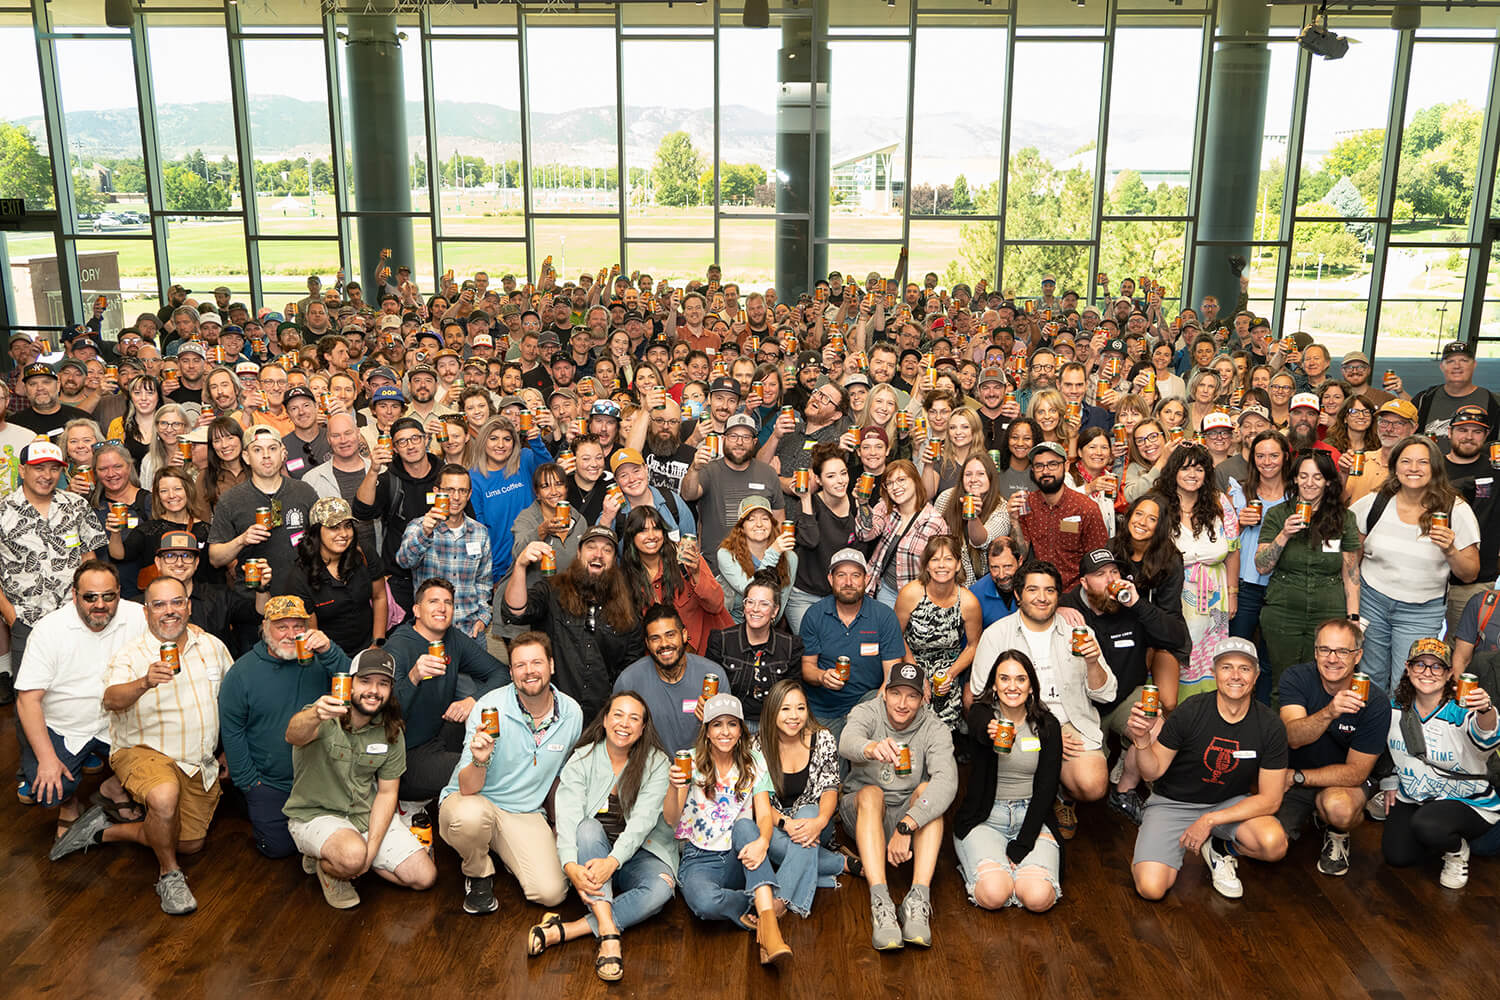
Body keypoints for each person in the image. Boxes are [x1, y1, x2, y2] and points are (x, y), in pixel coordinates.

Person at [50, 576, 235, 916]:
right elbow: (111, 699)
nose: (169, 612)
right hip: (142, 750)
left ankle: (103, 831)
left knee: (189, 843)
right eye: (159, 605)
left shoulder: (212, 646)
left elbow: (235, 702)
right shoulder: (132, 654)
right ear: (147, 612)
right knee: (164, 798)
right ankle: (169, 875)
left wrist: (229, 752)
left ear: (188, 606)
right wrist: (144, 681)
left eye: (176, 603)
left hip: (195, 760)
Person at [1125, 636, 1289, 901]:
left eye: (1244, 668)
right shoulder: (1191, 711)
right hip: (1173, 803)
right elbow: (1151, 772)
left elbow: (1271, 799)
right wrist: (1142, 741)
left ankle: (1219, 846)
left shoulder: (1270, 725)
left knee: (1274, 845)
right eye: (1226, 667)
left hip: (1229, 803)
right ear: (1213, 673)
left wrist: (1210, 820)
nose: (1235, 675)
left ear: (1256, 675)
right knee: (1150, 889)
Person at [967, 559, 1116, 838]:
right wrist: (1050, 736)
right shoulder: (997, 635)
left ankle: (1062, 796)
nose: (1042, 597)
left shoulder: (1078, 633)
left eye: (1049, 591)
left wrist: (1094, 662)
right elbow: (980, 695)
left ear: (1058, 596)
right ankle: (1033, 800)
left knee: (1093, 784)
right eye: (1033, 589)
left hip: (1071, 723)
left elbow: (1106, 694)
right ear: (1018, 595)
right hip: (1019, 720)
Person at [438, 630, 583, 912]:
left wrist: (557, 826)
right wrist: (480, 759)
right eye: (520, 665)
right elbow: (467, 788)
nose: (529, 671)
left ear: (551, 666)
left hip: (524, 811)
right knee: (470, 819)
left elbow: (559, 777)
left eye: (536, 663)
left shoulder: (571, 714)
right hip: (473, 801)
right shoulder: (489, 708)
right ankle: (477, 872)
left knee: (552, 893)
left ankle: (502, 847)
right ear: (511, 672)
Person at [283, 646, 437, 908]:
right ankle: (330, 866)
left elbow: (388, 793)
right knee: (353, 856)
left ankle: (343, 859)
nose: (374, 691)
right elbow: (293, 735)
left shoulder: (392, 731)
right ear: (349, 683)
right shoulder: (322, 714)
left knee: (425, 877)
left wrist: (372, 851)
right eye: (365, 681)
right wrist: (314, 714)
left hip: (363, 816)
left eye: (383, 684)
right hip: (315, 815)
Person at [538, 691, 675, 983]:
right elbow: (568, 817)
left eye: (634, 718)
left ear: (642, 728)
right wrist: (570, 866)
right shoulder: (583, 758)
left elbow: (642, 822)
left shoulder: (658, 762)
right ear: (604, 719)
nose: (624, 723)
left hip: (640, 852)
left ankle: (570, 929)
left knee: (662, 889)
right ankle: (609, 934)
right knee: (586, 827)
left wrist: (613, 862)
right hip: (593, 852)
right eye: (618, 715)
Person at [15, 561, 146, 840]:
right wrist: (47, 758)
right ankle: (69, 803)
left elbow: (173, 625)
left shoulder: (137, 616)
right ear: (74, 595)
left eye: (108, 596)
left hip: (119, 723)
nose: (100, 604)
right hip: (65, 728)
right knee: (48, 790)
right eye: (90, 597)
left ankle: (115, 786)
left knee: (161, 762)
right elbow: (27, 700)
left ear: (119, 594)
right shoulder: (49, 630)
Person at [663, 692, 792, 967]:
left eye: (732, 724)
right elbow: (672, 819)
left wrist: (763, 842)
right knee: (704, 905)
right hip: (700, 857)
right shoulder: (692, 762)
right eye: (717, 724)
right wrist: (674, 787)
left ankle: (769, 929)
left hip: (739, 853)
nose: (725, 732)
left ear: (741, 729)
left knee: (746, 825)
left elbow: (765, 815)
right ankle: (761, 901)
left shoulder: (755, 761)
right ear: (707, 731)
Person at [218, 595, 350, 860]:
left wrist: (329, 650)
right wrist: (250, 783)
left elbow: (356, 688)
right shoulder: (242, 672)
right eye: (282, 627)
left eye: (298, 626)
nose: (291, 634)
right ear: (265, 628)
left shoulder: (320, 660)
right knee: (280, 850)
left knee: (339, 842)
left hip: (321, 778)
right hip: (269, 783)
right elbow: (232, 731)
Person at [840, 661, 957, 951]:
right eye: (896, 694)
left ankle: (918, 898)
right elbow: (846, 741)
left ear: (922, 699)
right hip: (864, 812)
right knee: (871, 793)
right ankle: (880, 901)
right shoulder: (868, 711)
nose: (902, 704)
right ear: (885, 693)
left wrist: (907, 825)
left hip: (906, 816)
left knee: (928, 791)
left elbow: (948, 782)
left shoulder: (934, 726)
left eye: (912, 696)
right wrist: (870, 748)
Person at [1352, 435, 1481, 691]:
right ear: (1395, 466)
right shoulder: (1374, 503)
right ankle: (1373, 729)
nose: (1413, 468)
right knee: (1369, 678)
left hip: (1421, 611)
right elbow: (1351, 559)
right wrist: (1351, 610)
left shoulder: (1455, 509)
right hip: (1372, 603)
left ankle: (1400, 732)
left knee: (1409, 683)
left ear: (1435, 467)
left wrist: (1451, 550)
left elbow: (1470, 573)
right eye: (1406, 461)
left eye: (1422, 462)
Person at [1381, 637, 1499, 889]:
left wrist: (1486, 710)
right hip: (1415, 796)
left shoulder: (1462, 710)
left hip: (1467, 802)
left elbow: (1486, 737)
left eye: (1437, 667)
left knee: (1428, 824)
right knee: (1398, 856)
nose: (1427, 672)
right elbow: (1382, 750)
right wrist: (1388, 779)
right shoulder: (1394, 709)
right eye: (1420, 665)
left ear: (1448, 674)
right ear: (1408, 668)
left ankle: (1457, 851)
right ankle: (1437, 838)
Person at [1278, 618, 1391, 878]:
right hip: (1295, 776)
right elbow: (1293, 736)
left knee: (1338, 810)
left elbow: (1356, 773)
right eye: (1325, 650)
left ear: (1358, 656)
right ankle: (1317, 812)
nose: (1332, 658)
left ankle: (1337, 831)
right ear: (1315, 652)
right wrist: (1329, 712)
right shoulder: (1296, 677)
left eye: (1343, 651)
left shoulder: (1374, 700)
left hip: (1334, 782)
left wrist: (1298, 777)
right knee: (1268, 844)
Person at [954, 649, 1063, 913]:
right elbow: (979, 724)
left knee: (1037, 898)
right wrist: (990, 731)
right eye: (1004, 679)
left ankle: (1016, 872)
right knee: (994, 895)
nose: (1012, 686)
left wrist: (1023, 844)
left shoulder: (1048, 725)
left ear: (1031, 686)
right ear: (994, 684)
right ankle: (992, 869)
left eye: (1020, 679)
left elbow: (1048, 789)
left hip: (1032, 819)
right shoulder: (983, 715)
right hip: (985, 820)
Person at [0, 440, 108, 701]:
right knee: (29, 696)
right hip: (26, 619)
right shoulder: (3, 511)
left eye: (53, 469)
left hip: (74, 616)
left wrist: (90, 605)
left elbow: (89, 560)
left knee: (79, 690)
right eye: (38, 468)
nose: (46, 476)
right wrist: (12, 616)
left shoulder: (77, 506)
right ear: (23, 470)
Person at [505, 525, 645, 724]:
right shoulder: (552, 590)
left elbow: (630, 668)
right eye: (591, 547)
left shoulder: (627, 608)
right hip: (553, 716)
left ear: (614, 560)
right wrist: (520, 566)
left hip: (602, 719)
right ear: (578, 552)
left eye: (607, 550)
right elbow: (516, 612)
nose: (598, 554)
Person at [1253, 449, 1363, 698]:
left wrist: (1353, 617)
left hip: (1328, 612)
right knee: (1283, 684)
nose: (1309, 483)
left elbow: (1351, 575)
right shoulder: (1278, 514)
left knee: (1329, 685)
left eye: (1317, 477)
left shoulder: (1344, 518)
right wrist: (1284, 534)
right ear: (1294, 479)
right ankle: (1283, 735)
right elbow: (1262, 565)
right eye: (1303, 476)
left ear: (1328, 481)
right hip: (1284, 612)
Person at [387, 577, 507, 802]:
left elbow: (500, 672)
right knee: (483, 770)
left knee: (495, 740)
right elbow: (385, 713)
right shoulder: (399, 644)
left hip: (438, 735)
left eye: (448, 602)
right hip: (405, 755)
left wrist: (472, 700)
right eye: (433, 601)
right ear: (417, 610)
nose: (442, 608)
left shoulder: (452, 637)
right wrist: (414, 676)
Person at [752, 679, 851, 918]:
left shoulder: (823, 738)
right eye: (785, 709)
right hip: (777, 826)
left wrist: (819, 821)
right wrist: (786, 824)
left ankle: (781, 899)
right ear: (772, 711)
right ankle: (841, 864)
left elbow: (830, 788)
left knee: (807, 810)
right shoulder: (757, 745)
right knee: (760, 838)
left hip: (816, 825)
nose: (794, 716)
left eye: (800, 708)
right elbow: (761, 804)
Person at [799, 548, 909, 739]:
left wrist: (871, 714)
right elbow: (807, 667)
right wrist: (822, 676)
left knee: (871, 759)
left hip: (867, 701)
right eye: (841, 575)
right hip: (824, 708)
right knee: (831, 766)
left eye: (855, 575)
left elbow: (891, 674)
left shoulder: (884, 616)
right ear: (830, 579)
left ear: (866, 580)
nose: (848, 582)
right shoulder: (814, 615)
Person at [1162, 443, 1240, 697]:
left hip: (1215, 601)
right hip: (1173, 598)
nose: (1192, 474)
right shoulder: (1160, 504)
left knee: (1208, 663)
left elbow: (1233, 549)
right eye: (1185, 468)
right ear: (1173, 471)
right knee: (1174, 662)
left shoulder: (1219, 503)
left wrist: (1233, 593)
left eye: (1198, 468)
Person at [207, 425, 319, 588]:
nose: (266, 456)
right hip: (251, 598)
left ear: (282, 453)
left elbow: (323, 540)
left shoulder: (304, 491)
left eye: (272, 448)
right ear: (246, 456)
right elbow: (215, 559)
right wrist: (241, 540)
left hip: (302, 594)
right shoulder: (230, 500)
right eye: (257, 450)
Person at [353, 415, 442, 614]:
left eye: (415, 438)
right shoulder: (389, 479)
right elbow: (362, 511)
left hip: (441, 575)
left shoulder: (444, 475)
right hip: (401, 579)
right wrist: (374, 469)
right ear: (394, 448)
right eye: (402, 441)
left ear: (426, 439)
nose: (410, 446)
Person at [896, 535, 983, 735]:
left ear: (959, 564)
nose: (941, 565)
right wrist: (917, 676)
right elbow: (896, 636)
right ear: (926, 565)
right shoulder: (910, 594)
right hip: (911, 666)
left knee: (942, 737)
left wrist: (950, 676)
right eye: (934, 559)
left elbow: (973, 646)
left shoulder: (968, 602)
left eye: (948, 559)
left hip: (947, 672)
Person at [278, 497, 385, 657]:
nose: (343, 534)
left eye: (347, 526)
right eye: (334, 527)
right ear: (316, 531)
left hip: (368, 648)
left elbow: (379, 597)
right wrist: (332, 660)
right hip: (328, 656)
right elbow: (312, 634)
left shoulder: (363, 554)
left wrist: (377, 644)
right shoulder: (300, 577)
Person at [396, 464, 492, 639]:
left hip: (470, 632)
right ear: (436, 492)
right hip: (430, 633)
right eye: (449, 490)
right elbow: (403, 561)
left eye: (462, 491)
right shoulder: (419, 526)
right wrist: (424, 534)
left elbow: (483, 581)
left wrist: (483, 618)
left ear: (469, 494)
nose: (456, 497)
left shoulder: (480, 532)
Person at [618, 506, 731, 655]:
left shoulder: (685, 558)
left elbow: (716, 605)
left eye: (656, 529)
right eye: (643, 530)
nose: (651, 536)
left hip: (710, 653)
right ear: (631, 536)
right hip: (665, 664)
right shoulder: (626, 578)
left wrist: (696, 574)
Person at [614, 604, 722, 754]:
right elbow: (617, 739)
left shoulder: (713, 675)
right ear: (647, 644)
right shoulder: (629, 681)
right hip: (648, 770)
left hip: (703, 768)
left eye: (670, 635)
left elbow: (728, 734)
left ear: (684, 635)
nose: (664, 644)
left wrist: (714, 720)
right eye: (655, 638)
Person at [679, 413, 785, 560]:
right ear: (723, 439)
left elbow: (779, 520)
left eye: (746, 437)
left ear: (754, 442)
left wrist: (775, 560)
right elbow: (688, 494)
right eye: (733, 436)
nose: (739, 442)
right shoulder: (709, 470)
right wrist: (694, 469)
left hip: (759, 567)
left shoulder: (768, 473)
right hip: (716, 568)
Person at [1008, 442, 1109, 591]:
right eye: (1039, 466)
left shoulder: (1086, 508)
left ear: (1066, 466)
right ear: (1032, 470)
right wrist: (1014, 521)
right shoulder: (1028, 504)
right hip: (1040, 589)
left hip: (1077, 592)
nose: (1045, 471)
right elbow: (1021, 554)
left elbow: (1099, 562)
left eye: (1053, 464)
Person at [859, 459, 947, 605]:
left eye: (901, 480)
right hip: (886, 590)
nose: (896, 487)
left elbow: (942, 566)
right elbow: (865, 534)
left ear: (915, 481)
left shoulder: (934, 522)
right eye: (890, 483)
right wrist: (863, 504)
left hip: (918, 596)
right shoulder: (885, 508)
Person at [715, 496, 796, 623]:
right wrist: (773, 553)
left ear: (772, 524)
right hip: (731, 624)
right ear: (741, 527)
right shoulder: (726, 554)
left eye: (765, 519)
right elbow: (751, 591)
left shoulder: (790, 558)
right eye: (751, 519)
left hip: (767, 625)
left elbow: (782, 600)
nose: (759, 524)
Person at [1412, 340, 1500, 442]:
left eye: (1464, 360)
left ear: (1474, 364)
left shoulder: (1494, 402)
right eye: (1450, 361)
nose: (1457, 366)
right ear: (1441, 366)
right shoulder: (1424, 399)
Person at [970, 537, 1021, 628]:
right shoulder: (975, 595)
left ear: (1019, 561)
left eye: (1007, 566)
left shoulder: (1035, 588)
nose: (1001, 575)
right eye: (995, 567)